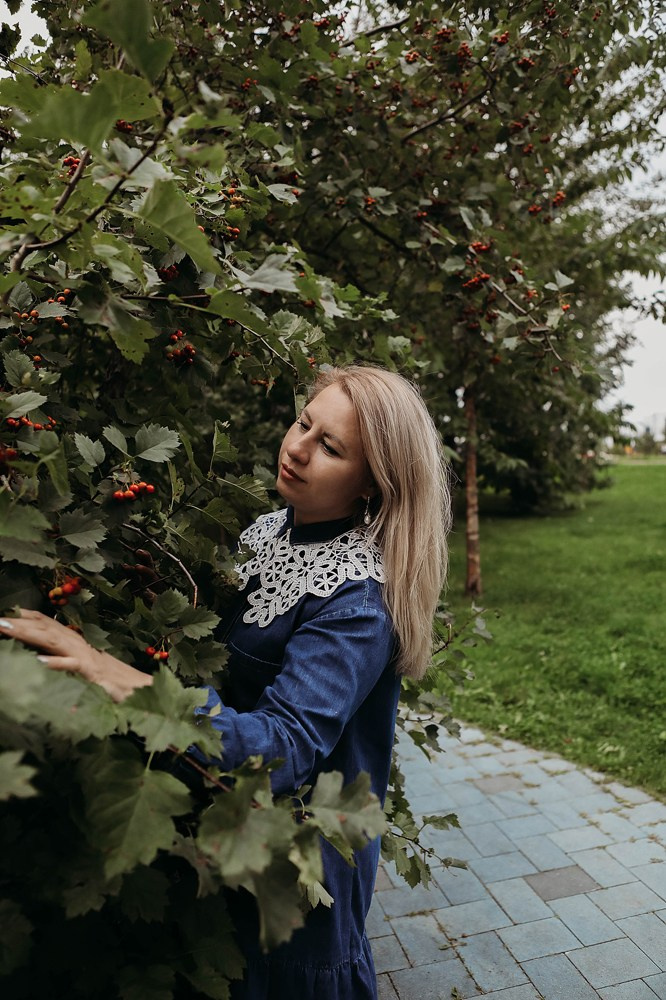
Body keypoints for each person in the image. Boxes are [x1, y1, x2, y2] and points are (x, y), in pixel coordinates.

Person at [0, 364, 451, 1000]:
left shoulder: (356, 602)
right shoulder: (271, 532)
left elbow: (283, 750)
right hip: (224, 827)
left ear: (373, 485)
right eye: (304, 423)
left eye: (330, 447)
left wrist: (115, 675)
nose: (297, 447)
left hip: (292, 869)